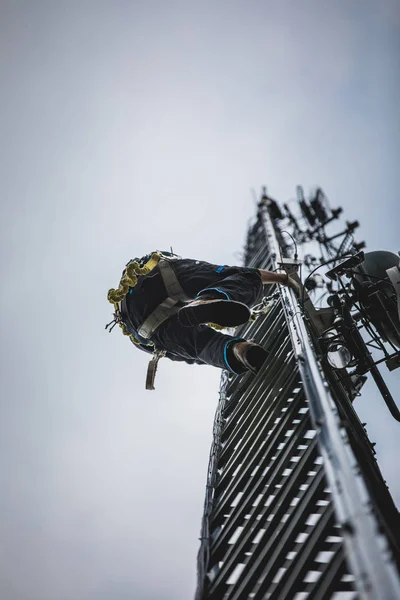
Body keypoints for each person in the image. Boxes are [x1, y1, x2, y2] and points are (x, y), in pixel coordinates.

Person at [106, 251, 298, 383]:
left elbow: (190, 352)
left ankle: (240, 350)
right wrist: (283, 278)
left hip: (139, 325)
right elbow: (246, 274)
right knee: (239, 279)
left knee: (201, 346)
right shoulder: (174, 268)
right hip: (155, 275)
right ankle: (208, 301)